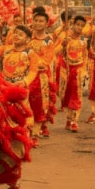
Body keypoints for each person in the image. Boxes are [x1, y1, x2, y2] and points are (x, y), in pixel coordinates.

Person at [27, 7, 58, 138]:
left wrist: (34, 64)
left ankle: (36, 130)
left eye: (41, 21)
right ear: (32, 21)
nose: (38, 23)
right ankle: (29, 128)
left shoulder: (48, 41)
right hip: (27, 76)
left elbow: (47, 59)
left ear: (46, 24)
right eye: (36, 20)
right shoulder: (27, 38)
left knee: (41, 103)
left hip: (42, 76)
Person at [57, 15, 88, 133]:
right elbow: (55, 50)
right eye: (78, 24)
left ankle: (75, 120)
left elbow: (85, 56)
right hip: (66, 69)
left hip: (78, 70)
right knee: (65, 94)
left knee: (77, 95)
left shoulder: (83, 41)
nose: (79, 27)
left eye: (82, 25)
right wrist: (63, 44)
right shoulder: (65, 36)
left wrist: (85, 71)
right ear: (73, 24)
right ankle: (68, 119)